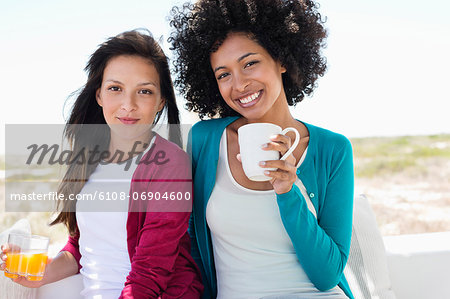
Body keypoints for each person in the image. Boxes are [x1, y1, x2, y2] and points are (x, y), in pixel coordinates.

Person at [169, 0, 354, 298]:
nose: (239, 83)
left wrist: (288, 192)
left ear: (281, 59)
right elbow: (187, 243)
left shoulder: (333, 149)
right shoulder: (204, 141)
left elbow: (327, 275)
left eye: (250, 63)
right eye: (223, 74)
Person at [1, 29, 203, 298]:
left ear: (160, 102)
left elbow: (151, 271)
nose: (128, 105)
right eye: (115, 89)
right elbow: (80, 248)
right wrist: (39, 273)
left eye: (144, 91)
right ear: (99, 96)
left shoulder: (170, 162)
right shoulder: (87, 158)